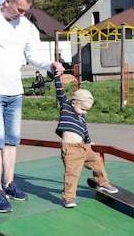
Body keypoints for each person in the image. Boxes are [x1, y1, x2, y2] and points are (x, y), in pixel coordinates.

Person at [0, 0, 64, 213]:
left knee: (12, 140)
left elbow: (32, 55)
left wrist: (49, 64)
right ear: (7, 1)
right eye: (19, 10)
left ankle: (9, 183)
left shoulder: (26, 27)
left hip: (14, 92)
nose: (21, 15)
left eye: (25, 11)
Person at [50, 69, 118, 208]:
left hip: (83, 147)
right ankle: (68, 198)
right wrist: (57, 76)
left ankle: (103, 183)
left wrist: (88, 141)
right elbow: (60, 91)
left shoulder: (82, 116)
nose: (84, 112)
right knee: (72, 174)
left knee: (97, 163)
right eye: (83, 109)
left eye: (87, 110)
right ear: (74, 102)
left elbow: (84, 130)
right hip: (71, 150)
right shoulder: (66, 107)